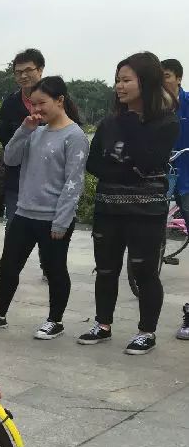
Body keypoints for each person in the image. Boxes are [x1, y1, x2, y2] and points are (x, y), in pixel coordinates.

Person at [77, 52, 179, 355]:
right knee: (105, 268)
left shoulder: (165, 122)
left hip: (146, 211)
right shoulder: (109, 123)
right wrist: (125, 166)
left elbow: (149, 162)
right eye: (117, 80)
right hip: (109, 207)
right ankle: (103, 325)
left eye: (126, 80)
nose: (119, 87)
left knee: (144, 271)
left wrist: (133, 123)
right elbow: (94, 163)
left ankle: (147, 331)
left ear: (144, 83)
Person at [0, 77, 89, 340]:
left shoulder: (75, 136)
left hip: (53, 218)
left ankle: (55, 320)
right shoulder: (34, 131)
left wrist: (62, 221)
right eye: (32, 104)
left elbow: (74, 182)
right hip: (24, 212)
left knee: (54, 268)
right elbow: (10, 158)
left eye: (42, 103)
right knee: (8, 267)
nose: (36, 110)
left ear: (60, 101)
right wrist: (24, 129)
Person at [0, 49, 45, 223]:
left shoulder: (57, 99)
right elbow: (4, 139)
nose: (23, 76)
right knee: (13, 235)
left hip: (48, 181)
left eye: (28, 70)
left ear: (40, 70)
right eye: (18, 72)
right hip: (17, 180)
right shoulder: (10, 104)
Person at [163, 59, 189, 340]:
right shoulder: (154, 106)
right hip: (159, 176)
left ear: (179, 78)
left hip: (187, 178)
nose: (163, 83)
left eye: (167, 76)